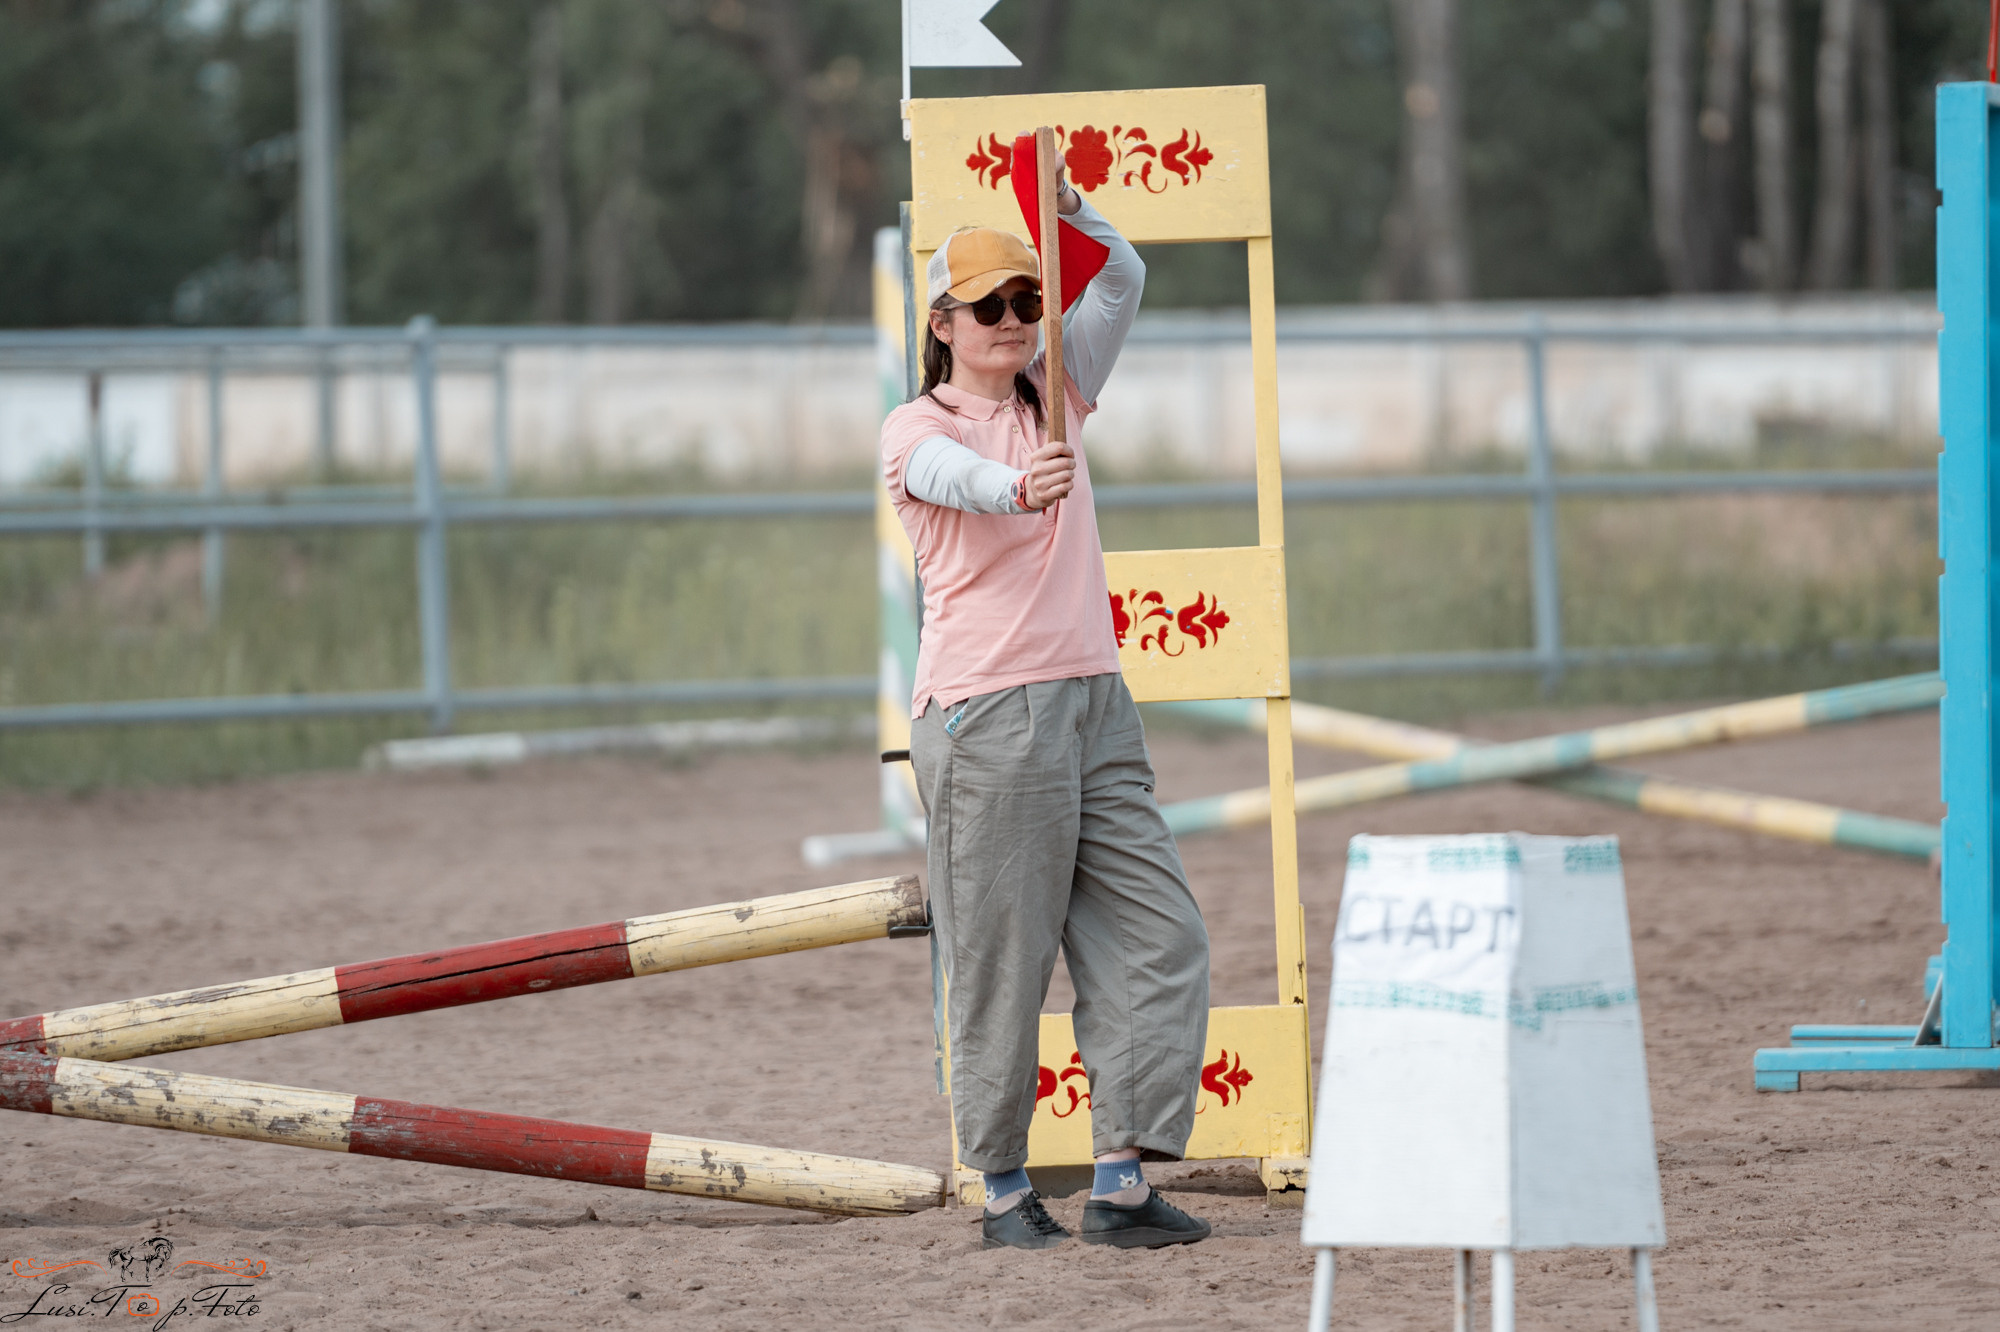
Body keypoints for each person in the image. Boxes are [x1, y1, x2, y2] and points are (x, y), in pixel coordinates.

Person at [881, 172, 1212, 1252]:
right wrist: (1018, 488)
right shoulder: (912, 428)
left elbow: (1122, 277)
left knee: (1158, 936)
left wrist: (1066, 212)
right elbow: (950, 478)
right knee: (1000, 960)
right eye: (990, 307)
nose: (1016, 321)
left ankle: (1119, 1178)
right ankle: (1000, 1188)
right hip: (988, 714)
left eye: (1026, 301)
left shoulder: (1057, 385)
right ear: (941, 323)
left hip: (1094, 701)